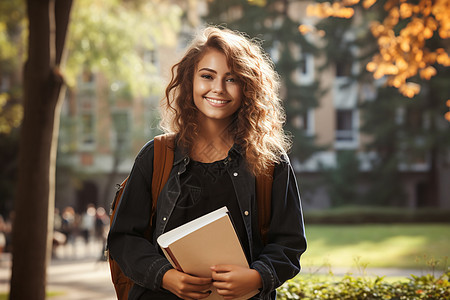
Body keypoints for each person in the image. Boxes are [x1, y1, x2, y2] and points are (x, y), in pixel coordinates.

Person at [107, 26, 307, 300]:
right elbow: (123, 239)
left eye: (232, 79)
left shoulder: (269, 161)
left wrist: (257, 277)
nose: (218, 88)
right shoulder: (156, 155)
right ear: (190, 81)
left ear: (248, 86)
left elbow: (290, 243)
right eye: (207, 76)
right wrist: (165, 276)